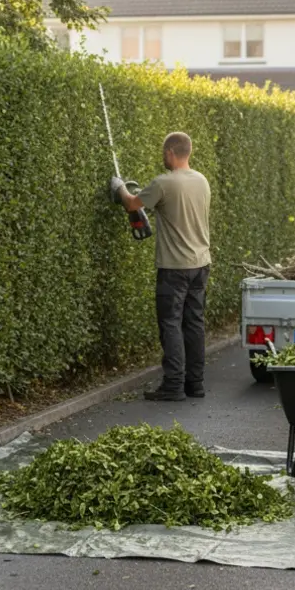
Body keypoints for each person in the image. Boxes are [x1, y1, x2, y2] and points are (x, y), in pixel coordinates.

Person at [110, 131, 211, 401]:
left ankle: (173, 385)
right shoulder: (201, 180)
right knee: (194, 323)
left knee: (170, 323)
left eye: (163, 153)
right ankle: (195, 384)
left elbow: (132, 203)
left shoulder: (164, 183)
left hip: (174, 268)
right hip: (201, 264)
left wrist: (119, 187)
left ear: (170, 152)